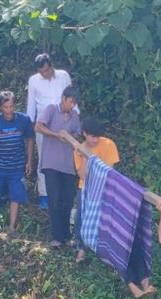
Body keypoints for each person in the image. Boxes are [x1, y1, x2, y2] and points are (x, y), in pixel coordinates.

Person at [0, 91, 35, 239]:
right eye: (6, 107)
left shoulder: (24, 120)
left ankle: (11, 228)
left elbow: (29, 140)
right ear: (0, 107)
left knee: (15, 197)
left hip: (17, 167)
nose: (9, 110)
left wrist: (29, 161)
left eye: (11, 106)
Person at [34, 86, 81, 247]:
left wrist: (69, 137)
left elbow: (78, 135)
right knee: (53, 199)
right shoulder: (52, 110)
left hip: (68, 165)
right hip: (51, 163)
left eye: (74, 103)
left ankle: (66, 235)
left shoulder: (75, 116)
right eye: (70, 101)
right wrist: (56, 135)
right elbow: (38, 126)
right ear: (63, 98)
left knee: (67, 200)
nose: (72, 105)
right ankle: (56, 237)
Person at [26, 53, 74, 210]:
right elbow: (31, 105)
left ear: (51, 66)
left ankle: (63, 193)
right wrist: (29, 125)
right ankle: (44, 195)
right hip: (43, 125)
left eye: (46, 71)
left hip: (64, 122)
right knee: (43, 160)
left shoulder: (63, 76)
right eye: (41, 72)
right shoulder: (34, 80)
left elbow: (71, 98)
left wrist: (75, 119)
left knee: (65, 158)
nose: (44, 74)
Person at [73, 116, 119, 262]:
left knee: (104, 219)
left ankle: (102, 250)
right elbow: (82, 175)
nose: (96, 140)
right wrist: (86, 156)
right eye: (92, 136)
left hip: (103, 187)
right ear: (85, 133)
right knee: (80, 216)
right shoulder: (79, 149)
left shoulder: (109, 145)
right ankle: (81, 248)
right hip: (85, 188)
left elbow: (109, 171)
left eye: (98, 136)